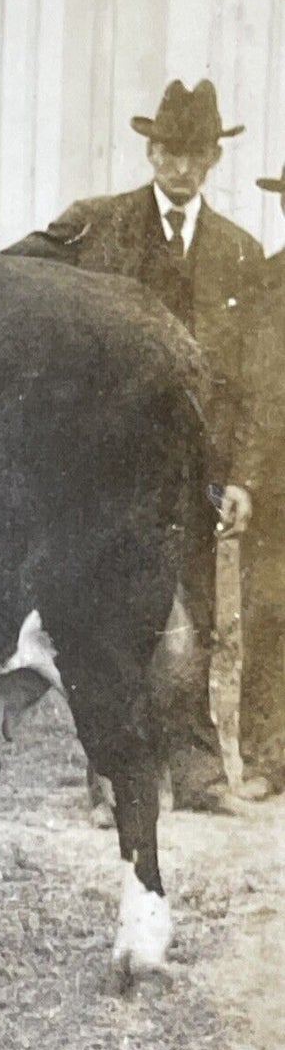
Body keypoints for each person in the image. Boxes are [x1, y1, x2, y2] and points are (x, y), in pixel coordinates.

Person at [8, 79, 262, 813]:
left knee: (196, 616)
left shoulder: (237, 252)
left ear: (213, 158)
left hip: (196, 470)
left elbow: (244, 383)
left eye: (194, 153)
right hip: (108, 463)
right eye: (168, 150)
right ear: (149, 150)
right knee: (109, 613)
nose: (179, 165)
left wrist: (238, 477)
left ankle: (197, 771)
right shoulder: (95, 225)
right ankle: (114, 771)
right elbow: (17, 273)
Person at [236, 165, 285, 793]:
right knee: (269, 614)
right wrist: (243, 481)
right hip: (276, 488)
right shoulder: (267, 284)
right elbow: (254, 393)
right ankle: (265, 759)